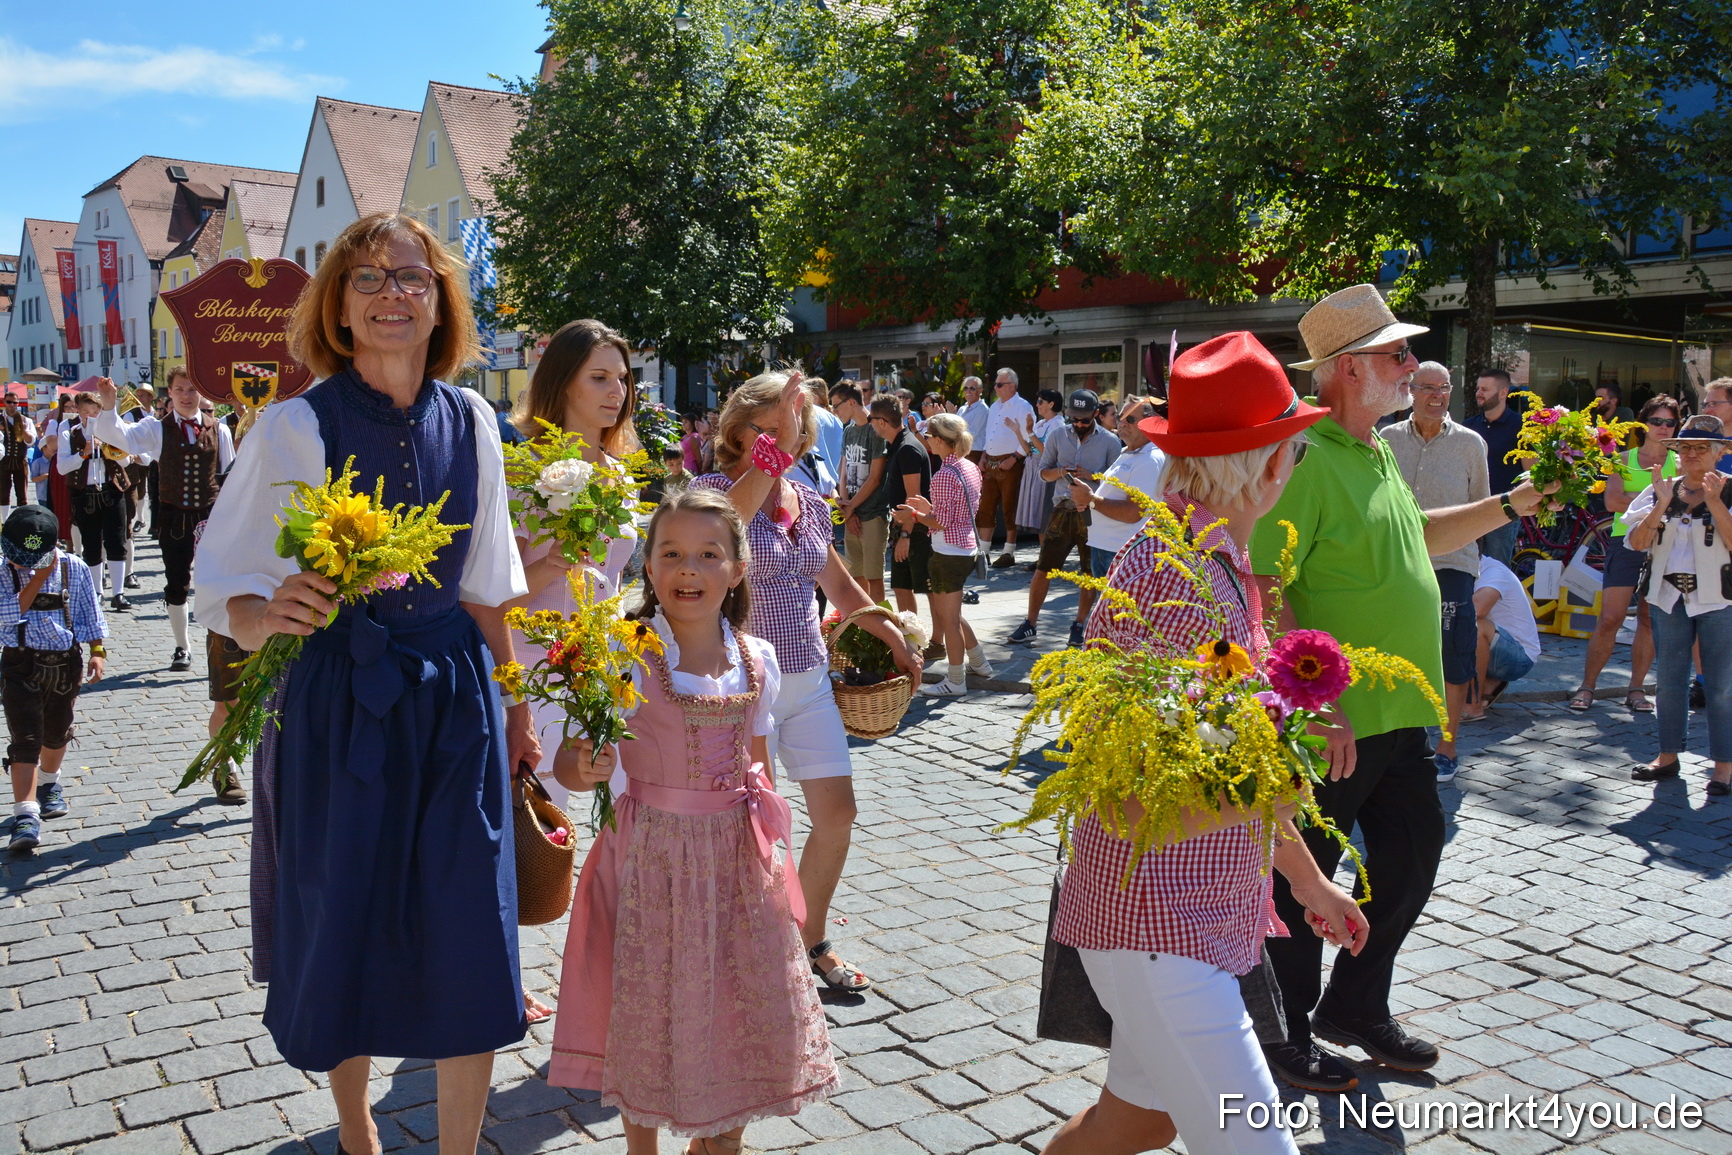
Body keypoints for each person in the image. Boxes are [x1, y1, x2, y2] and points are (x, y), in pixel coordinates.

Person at [194, 211, 535, 1154]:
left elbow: (487, 581)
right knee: (338, 909)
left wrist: (516, 707)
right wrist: (272, 613)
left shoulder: (473, 421)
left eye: (413, 279)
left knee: (473, 926)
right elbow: (222, 577)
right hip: (336, 702)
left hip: (455, 700)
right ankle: (358, 1137)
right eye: (370, 279)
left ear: (441, 304)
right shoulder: (295, 426)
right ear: (338, 307)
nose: (394, 293)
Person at [1043, 334, 1367, 1155]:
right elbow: (1133, 793)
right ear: (1266, 468)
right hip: (1159, 924)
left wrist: (1310, 881)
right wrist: (1275, 802)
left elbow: (1237, 765)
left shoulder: (1215, 560)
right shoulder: (1175, 575)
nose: (1295, 464)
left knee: (1135, 1122)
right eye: (1292, 449)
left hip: (1188, 916)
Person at [1251, 283, 1554, 1090]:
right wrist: (1318, 701)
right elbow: (1266, 586)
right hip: (1335, 722)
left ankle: (1354, 1004)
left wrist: (1509, 504)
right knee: (1299, 875)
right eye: (1397, 354)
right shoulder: (1309, 456)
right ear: (1349, 369)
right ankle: (1280, 1031)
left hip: (1398, 713)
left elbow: (1415, 534)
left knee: (1413, 857)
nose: (1412, 365)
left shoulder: (1375, 446)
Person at [547, 488, 837, 1153]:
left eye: (708, 554)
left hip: (736, 861)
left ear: (738, 568)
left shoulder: (756, 657)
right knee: (647, 1011)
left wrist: (773, 859)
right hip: (649, 858)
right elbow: (570, 760)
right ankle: (642, 1147)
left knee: (737, 1003)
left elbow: (755, 764)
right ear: (648, 566)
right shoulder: (625, 651)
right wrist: (582, 765)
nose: (688, 568)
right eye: (672, 553)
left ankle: (719, 1139)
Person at [693, 373, 924, 995]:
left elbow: (843, 589)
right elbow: (719, 533)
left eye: (786, 427)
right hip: (741, 685)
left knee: (837, 814)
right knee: (751, 827)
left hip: (809, 678)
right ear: (735, 434)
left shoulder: (810, 500)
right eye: (761, 429)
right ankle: (745, 949)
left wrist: (892, 634)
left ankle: (808, 938)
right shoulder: (711, 490)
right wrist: (767, 465)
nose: (775, 440)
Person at [507, 318, 641, 812]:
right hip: (534, 673)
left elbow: (615, 581)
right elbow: (492, 600)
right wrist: (552, 565)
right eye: (599, 378)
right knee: (545, 829)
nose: (617, 391)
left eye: (623, 378)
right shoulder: (522, 475)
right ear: (563, 381)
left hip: (603, 666)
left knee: (626, 811)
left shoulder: (621, 474)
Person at [91, 366, 236, 675]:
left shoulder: (219, 429)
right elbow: (118, 439)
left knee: (219, 583)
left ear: (202, 393)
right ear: (169, 394)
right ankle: (182, 646)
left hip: (212, 518)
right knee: (177, 583)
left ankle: (223, 640)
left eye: (192, 389)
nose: (186, 396)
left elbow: (230, 475)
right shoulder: (155, 429)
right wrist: (108, 405)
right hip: (174, 519)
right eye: (180, 390)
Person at [1384, 362, 1489, 783]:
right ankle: (1398, 741)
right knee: (1395, 650)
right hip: (1397, 561)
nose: (1437, 396)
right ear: (1409, 391)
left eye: (1443, 388)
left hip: (1452, 564)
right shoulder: (1385, 439)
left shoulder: (1470, 444)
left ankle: (1447, 745)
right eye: (1428, 388)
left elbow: (1482, 506)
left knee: (1452, 653)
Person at [1626, 414, 1732, 799]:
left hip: (1719, 598)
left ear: (1719, 453)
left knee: (1720, 685)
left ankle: (1724, 766)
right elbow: (1637, 542)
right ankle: (1667, 755)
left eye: (1702, 448)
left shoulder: (1730, 490)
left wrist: (1716, 502)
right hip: (1668, 595)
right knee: (1669, 681)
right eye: (1685, 447)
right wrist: (1661, 505)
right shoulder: (1660, 489)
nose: (1692, 454)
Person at [2, 506, 106, 855]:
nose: (17, 561)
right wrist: (36, 575)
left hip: (63, 664)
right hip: (20, 664)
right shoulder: (4, 571)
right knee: (25, 739)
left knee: (57, 732)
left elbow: (88, 610)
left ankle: (49, 782)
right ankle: (25, 817)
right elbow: (8, 614)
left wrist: (97, 650)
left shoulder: (71, 567)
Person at [1570, 394, 1679, 713]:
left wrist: (1639, 498)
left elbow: (1676, 502)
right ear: (1644, 424)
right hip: (1625, 542)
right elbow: (1612, 503)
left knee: (1647, 618)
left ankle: (1636, 690)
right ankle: (1587, 686)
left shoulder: (1680, 463)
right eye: (1657, 421)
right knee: (1610, 617)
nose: (1663, 428)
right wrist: (1658, 498)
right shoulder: (1623, 458)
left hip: (1664, 545)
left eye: (1670, 422)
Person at [1006, 389, 1122, 650]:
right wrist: (1059, 471)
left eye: (1084, 420)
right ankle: (1030, 623)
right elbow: (1042, 473)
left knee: (1088, 573)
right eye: (1074, 419)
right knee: (1043, 568)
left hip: (1092, 512)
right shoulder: (1059, 435)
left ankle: (1080, 624)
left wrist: (1093, 476)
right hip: (1061, 510)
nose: (1078, 424)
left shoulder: (1111, 442)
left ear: (1095, 415)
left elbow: (1117, 483)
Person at [893, 414, 993, 697]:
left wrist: (912, 515)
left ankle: (956, 680)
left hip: (948, 551)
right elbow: (952, 512)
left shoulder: (943, 475)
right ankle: (980, 663)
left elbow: (940, 522)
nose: (925, 440)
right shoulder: (969, 467)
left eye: (928, 436)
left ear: (939, 440)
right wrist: (926, 508)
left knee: (949, 619)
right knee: (954, 614)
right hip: (965, 548)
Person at [57, 393, 133, 612]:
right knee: (91, 544)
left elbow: (126, 460)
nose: (90, 417)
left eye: (95, 412)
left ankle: (118, 593)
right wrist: (84, 453)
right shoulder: (68, 431)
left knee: (116, 541)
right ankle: (96, 592)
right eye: (85, 412)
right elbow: (62, 467)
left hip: (112, 489)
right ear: (78, 411)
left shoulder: (110, 428)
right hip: (84, 492)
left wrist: (110, 450)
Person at [1077, 395, 1167, 577]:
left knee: (1120, 606)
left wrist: (1092, 500)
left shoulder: (1149, 459)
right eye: (1121, 417)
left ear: (1150, 424)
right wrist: (1087, 501)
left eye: (1131, 419)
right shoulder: (1128, 452)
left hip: (1123, 551)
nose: (1123, 423)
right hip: (1107, 547)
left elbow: (1133, 512)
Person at [869, 396, 935, 628]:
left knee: (929, 590)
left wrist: (905, 536)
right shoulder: (897, 444)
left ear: (882, 422)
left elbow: (914, 499)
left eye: (872, 419)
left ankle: (937, 641)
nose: (870, 424)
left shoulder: (907, 448)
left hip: (915, 528)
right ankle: (912, 636)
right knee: (901, 586)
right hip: (904, 527)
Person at [831, 382, 889, 602]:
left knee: (874, 577)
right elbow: (843, 473)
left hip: (873, 513)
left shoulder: (876, 430)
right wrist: (848, 511)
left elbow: (875, 479)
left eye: (837, 406)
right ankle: (862, 627)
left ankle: (881, 630)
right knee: (856, 576)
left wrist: (851, 508)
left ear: (851, 402)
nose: (835, 411)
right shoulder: (848, 431)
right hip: (851, 512)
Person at [1464, 368, 1524, 569]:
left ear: (1503, 393)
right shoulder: (1468, 427)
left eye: (1485, 389)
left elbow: (1530, 473)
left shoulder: (1522, 427)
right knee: (1468, 567)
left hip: (1504, 510)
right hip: (1471, 510)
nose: (1479, 393)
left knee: (1497, 571)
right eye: (1478, 388)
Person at [978, 368, 1036, 567]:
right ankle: (983, 551)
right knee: (986, 506)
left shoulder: (1022, 406)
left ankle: (1009, 552)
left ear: (1012, 386)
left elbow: (1029, 436)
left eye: (999, 384)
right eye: (995, 384)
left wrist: (1014, 458)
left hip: (1011, 462)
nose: (995, 387)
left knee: (1009, 508)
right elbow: (990, 434)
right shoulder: (994, 406)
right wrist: (984, 456)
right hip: (992, 460)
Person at [1468, 558, 1541, 716]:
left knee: (1475, 626)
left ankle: (1473, 706)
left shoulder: (1494, 571)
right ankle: (1488, 682)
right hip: (1497, 647)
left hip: (1520, 656)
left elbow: (1477, 610)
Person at [1011, 388, 1064, 547]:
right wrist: (1018, 432)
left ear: (1051, 404)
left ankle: (1046, 559)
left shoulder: (1058, 424)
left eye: (1041, 401)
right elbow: (1029, 450)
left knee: (1044, 515)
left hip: (1045, 471)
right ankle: (1043, 557)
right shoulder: (1041, 423)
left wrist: (1029, 431)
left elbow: (1046, 452)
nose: (1037, 404)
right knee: (1038, 517)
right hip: (1032, 468)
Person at [0, 396, 37, 518]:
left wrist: (24, 430)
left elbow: (31, 441)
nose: (12, 405)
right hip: (3, 460)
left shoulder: (26, 420)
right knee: (3, 491)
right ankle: (4, 521)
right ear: (5, 402)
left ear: (18, 404)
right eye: (9, 402)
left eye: (14, 402)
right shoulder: (1, 418)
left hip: (20, 459)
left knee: (22, 492)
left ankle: (22, 520)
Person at [958, 375, 989, 464]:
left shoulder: (983, 410)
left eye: (972, 388)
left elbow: (970, 434)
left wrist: (954, 422)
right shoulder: (962, 408)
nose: (968, 391)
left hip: (974, 453)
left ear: (980, 391)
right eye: (965, 388)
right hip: (961, 452)